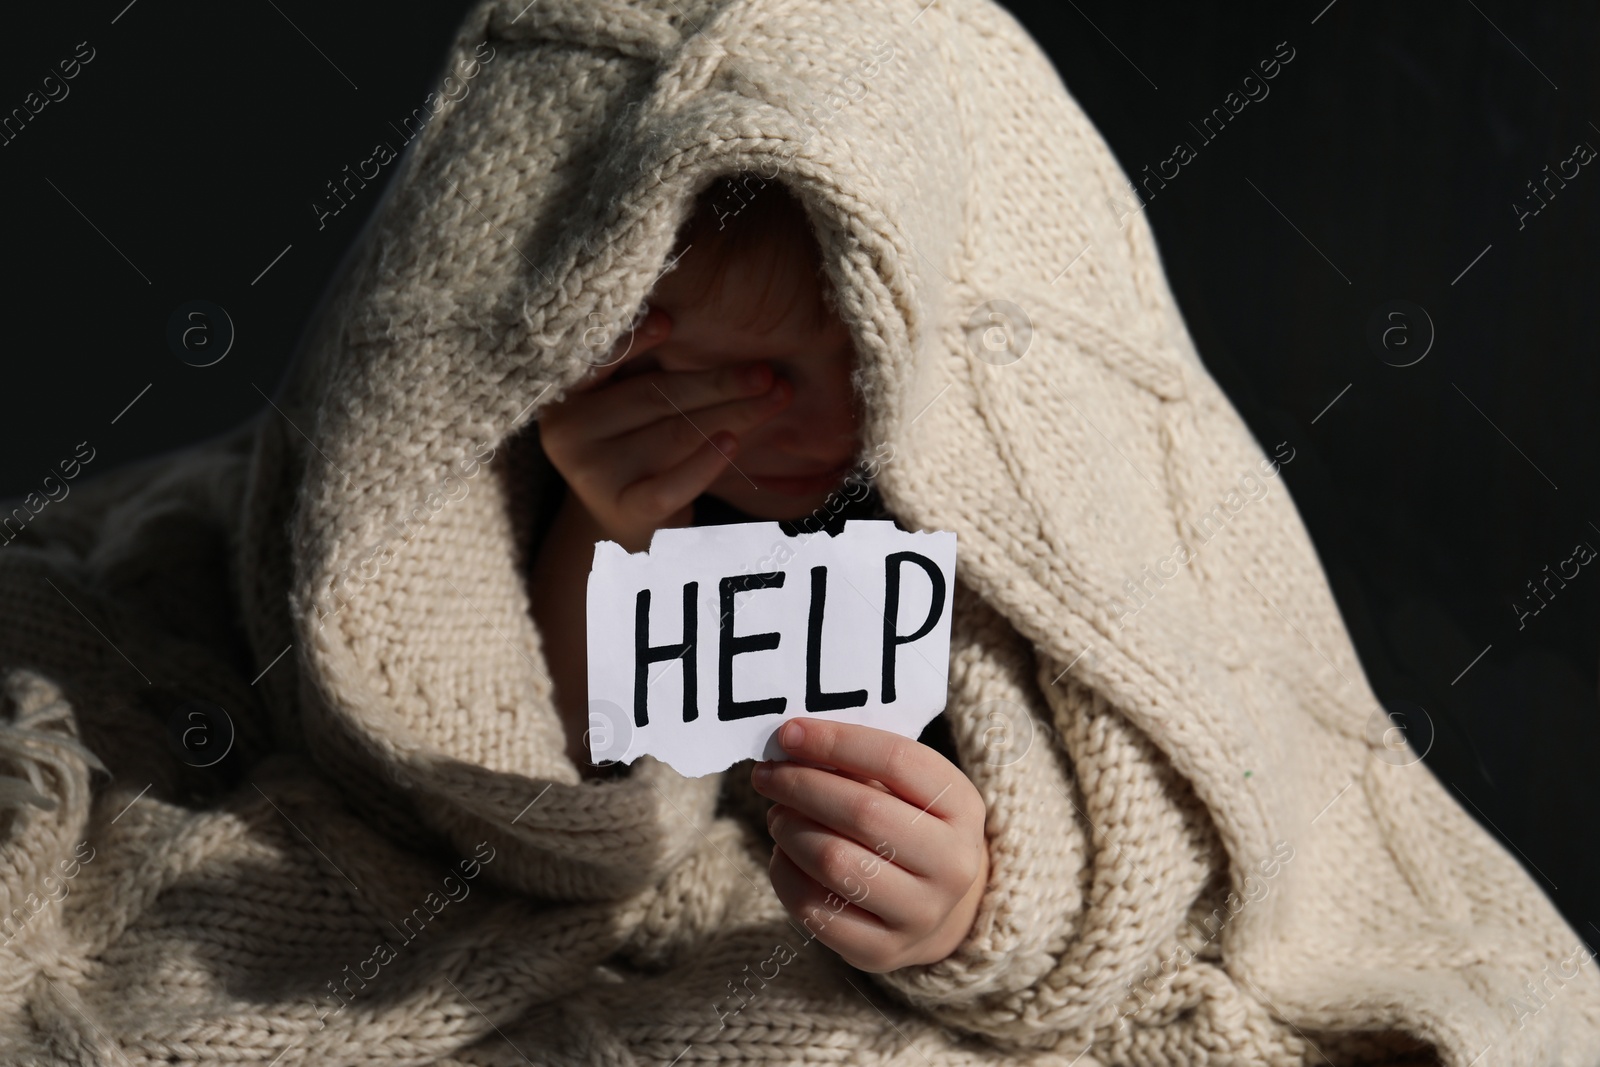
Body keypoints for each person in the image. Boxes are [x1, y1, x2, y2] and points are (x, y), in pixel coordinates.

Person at [529, 173, 989, 973]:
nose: (834, 427)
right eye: (746, 378)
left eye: (866, 364)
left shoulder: (969, 522)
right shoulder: (533, 492)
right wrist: (610, 520)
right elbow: (536, 773)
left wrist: (961, 910)